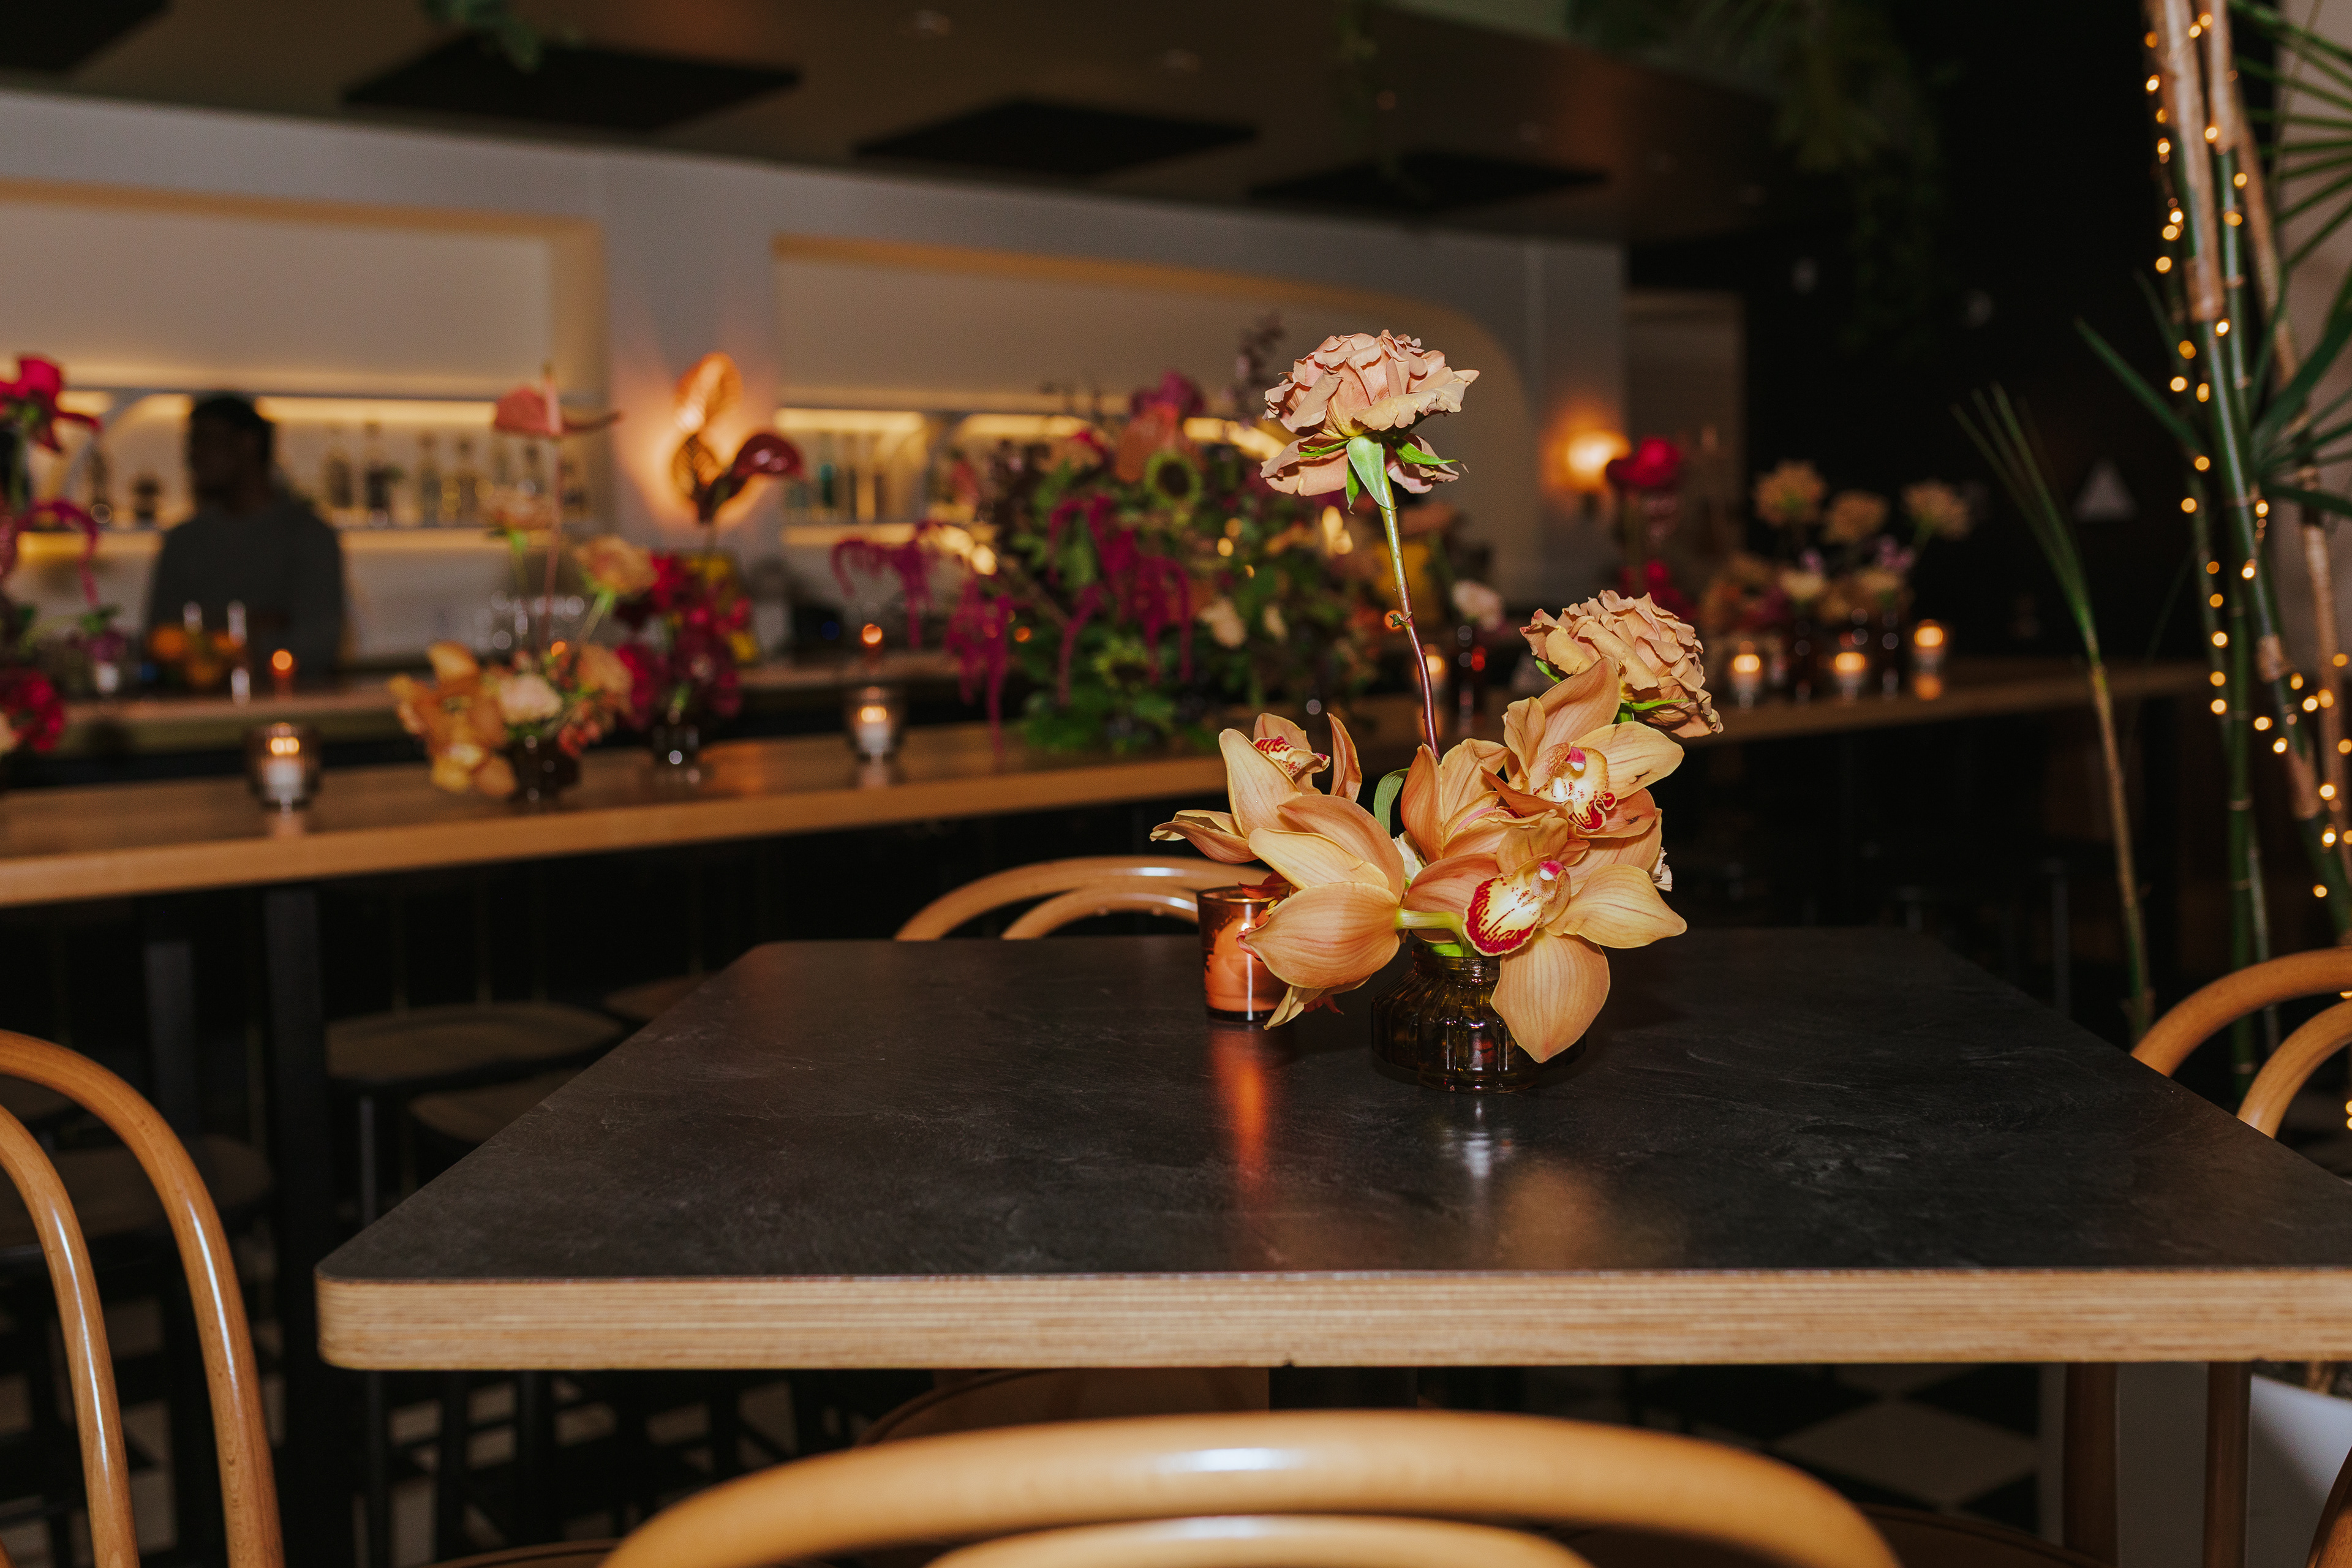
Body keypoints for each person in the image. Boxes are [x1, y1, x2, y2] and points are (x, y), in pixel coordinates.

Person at [144, 394, 345, 680]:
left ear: (249, 444)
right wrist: (258, 624)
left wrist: (206, 635)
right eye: (192, 445)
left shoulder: (308, 536)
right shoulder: (183, 540)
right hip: (197, 705)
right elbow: (160, 640)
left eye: (206, 442)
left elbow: (316, 646)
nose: (193, 457)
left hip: (290, 702)